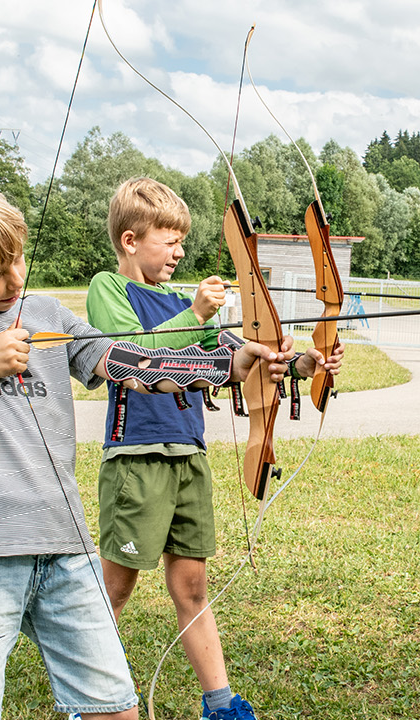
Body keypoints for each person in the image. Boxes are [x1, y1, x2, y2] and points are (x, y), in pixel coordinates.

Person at [0, 177, 312, 720]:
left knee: (115, 710)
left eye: (17, 261)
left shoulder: (45, 316)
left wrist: (228, 366)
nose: (14, 280)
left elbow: (135, 365)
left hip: (66, 548)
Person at [84, 177, 342, 720]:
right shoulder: (108, 289)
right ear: (130, 241)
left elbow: (231, 359)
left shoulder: (182, 300)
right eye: (168, 240)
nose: (179, 252)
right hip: (136, 457)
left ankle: (220, 703)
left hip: (188, 456)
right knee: (117, 588)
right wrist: (197, 315)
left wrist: (296, 362)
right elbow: (133, 355)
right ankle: (89, 695)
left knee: (194, 584)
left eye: (182, 241)